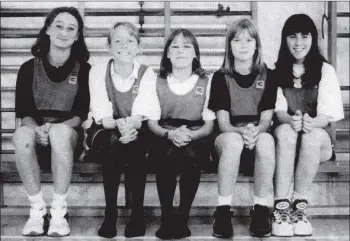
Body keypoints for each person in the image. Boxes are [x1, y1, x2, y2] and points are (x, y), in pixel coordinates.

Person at [12, 7, 90, 237]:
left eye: (71, 28)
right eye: (58, 26)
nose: (64, 32)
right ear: (48, 29)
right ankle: (37, 210)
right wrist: (37, 129)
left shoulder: (84, 69)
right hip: (37, 135)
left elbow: (81, 114)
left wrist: (56, 128)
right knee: (20, 135)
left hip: (68, 138)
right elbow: (23, 111)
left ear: (77, 36)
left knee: (60, 133)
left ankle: (58, 212)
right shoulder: (28, 68)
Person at [272, 14, 344, 237]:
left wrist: (312, 122)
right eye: (292, 36)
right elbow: (278, 111)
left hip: (316, 142)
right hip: (288, 140)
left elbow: (327, 115)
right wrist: (290, 119)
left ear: (313, 39)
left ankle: (300, 207)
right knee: (285, 130)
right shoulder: (276, 71)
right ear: (285, 40)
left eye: (304, 36)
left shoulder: (325, 71)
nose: (298, 42)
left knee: (311, 135)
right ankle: (281, 208)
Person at [208, 18, 277, 238]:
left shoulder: (268, 75)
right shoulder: (220, 77)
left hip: (256, 136)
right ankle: (222, 209)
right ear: (229, 46)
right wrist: (244, 132)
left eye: (249, 40)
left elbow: (266, 120)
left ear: (257, 45)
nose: (243, 45)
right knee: (234, 141)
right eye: (237, 40)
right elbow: (224, 124)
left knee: (267, 140)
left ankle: (260, 209)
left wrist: (256, 131)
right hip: (227, 141)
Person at [87, 21, 157, 238]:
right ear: (109, 47)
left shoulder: (147, 73)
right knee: (113, 142)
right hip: (104, 131)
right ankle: (110, 213)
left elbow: (141, 113)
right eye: (117, 40)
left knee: (134, 145)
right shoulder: (98, 71)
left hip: (134, 130)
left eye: (130, 40)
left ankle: (137, 214)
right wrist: (120, 126)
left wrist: (130, 127)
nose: (124, 45)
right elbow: (103, 115)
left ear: (139, 46)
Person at [145, 28, 215, 239]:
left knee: (191, 155)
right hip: (164, 134)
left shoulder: (206, 81)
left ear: (195, 54)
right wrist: (170, 135)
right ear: (167, 54)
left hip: (197, 134)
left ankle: (182, 216)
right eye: (174, 46)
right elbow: (152, 123)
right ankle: (167, 217)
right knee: (167, 154)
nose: (180, 51)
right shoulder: (156, 81)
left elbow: (209, 126)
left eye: (187, 47)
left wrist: (189, 136)